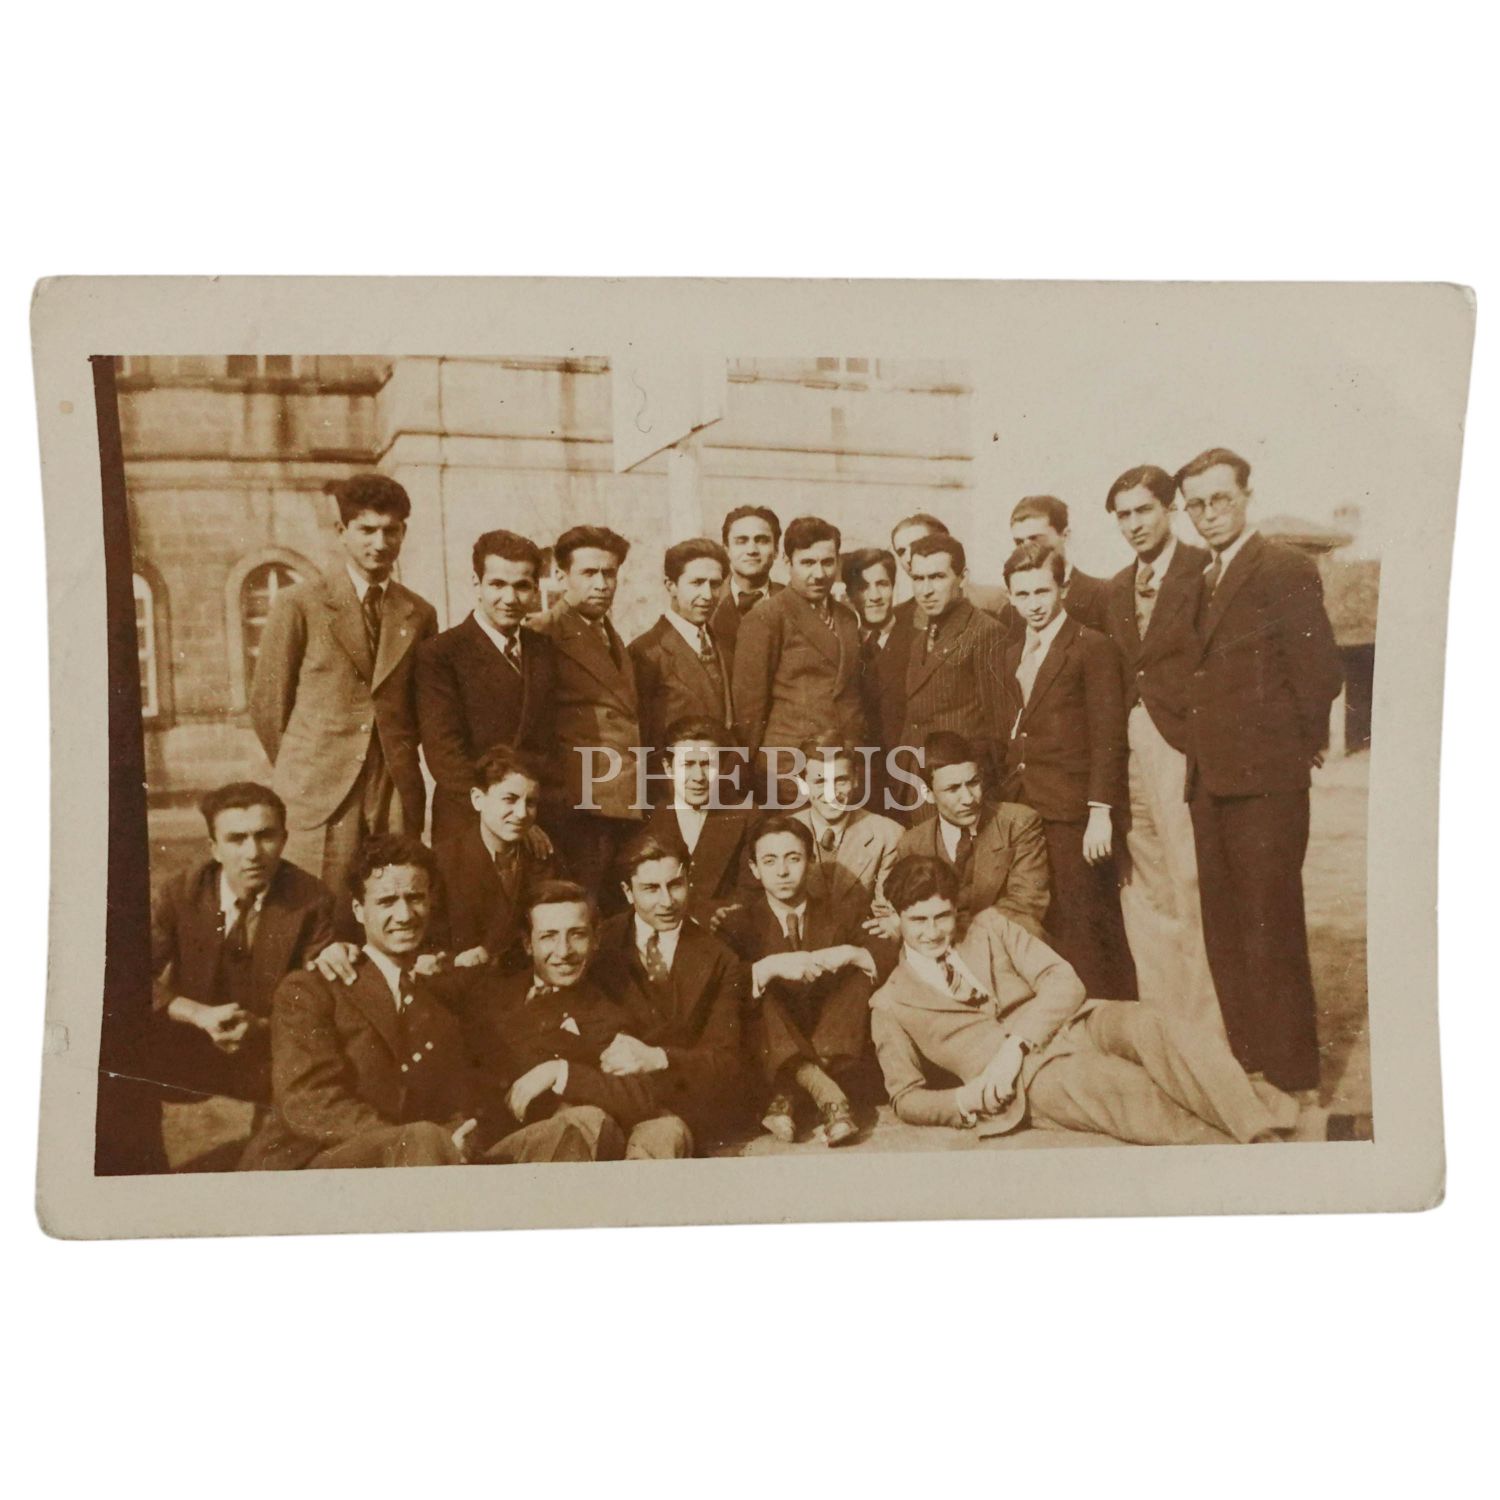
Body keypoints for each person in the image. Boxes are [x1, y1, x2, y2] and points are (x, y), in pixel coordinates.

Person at [870, 856, 1302, 1143]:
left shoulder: (990, 926)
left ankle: (1255, 1124)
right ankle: (1253, 1145)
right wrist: (966, 1100)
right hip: (1030, 1081)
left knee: (1155, 1026)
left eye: (942, 917)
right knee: (1120, 1086)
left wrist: (1015, 1045)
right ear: (896, 917)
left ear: (955, 909)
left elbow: (1064, 980)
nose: (933, 932)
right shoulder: (890, 1003)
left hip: (1073, 1023)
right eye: (918, 921)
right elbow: (905, 1097)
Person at [240, 838, 610, 1168]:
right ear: (358, 910)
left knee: (563, 1135)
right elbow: (310, 1104)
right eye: (387, 901)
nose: (404, 915)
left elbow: (464, 1090)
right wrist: (420, 1140)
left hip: (425, 1160)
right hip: (316, 1166)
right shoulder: (312, 989)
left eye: (415, 898)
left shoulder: (438, 994)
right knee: (424, 1139)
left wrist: (459, 1135)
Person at [1177, 446, 1343, 1094]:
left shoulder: (1284, 567)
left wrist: (1294, 749)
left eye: (1220, 499)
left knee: (1271, 926)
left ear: (1247, 496)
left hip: (1267, 785)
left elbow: (1319, 672)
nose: (1209, 514)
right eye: (1196, 504)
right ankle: (1249, 1062)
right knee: (1225, 929)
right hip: (1210, 783)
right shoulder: (1202, 578)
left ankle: (1293, 1072)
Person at [249, 473, 437, 919]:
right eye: (366, 530)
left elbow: (421, 705)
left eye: (391, 530)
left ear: (403, 533)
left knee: (394, 906)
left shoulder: (418, 613)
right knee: (317, 912)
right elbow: (268, 705)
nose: (379, 543)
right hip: (320, 786)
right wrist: (307, 764)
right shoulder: (300, 603)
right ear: (342, 531)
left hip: (391, 786)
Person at [1101, 465, 1223, 1033]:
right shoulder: (1116, 588)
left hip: (1182, 745)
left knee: (1190, 878)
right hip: (1129, 748)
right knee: (1143, 882)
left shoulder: (1204, 571)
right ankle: (1167, 1019)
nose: (1134, 524)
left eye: (1144, 510)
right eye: (1123, 515)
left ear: (1170, 509)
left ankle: (1210, 1023)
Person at [461, 881, 693, 1159]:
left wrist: (561, 1073)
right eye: (549, 936)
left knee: (655, 1127)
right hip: (505, 1149)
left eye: (577, 935)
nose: (564, 951)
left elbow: (645, 1093)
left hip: (585, 1142)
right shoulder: (490, 996)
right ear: (527, 944)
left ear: (596, 939)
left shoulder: (612, 1004)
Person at [150, 782, 340, 1106]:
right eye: (236, 839)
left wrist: (261, 1027)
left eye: (265, 836)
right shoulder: (180, 893)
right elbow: (129, 975)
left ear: (284, 839)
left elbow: (316, 999)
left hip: (268, 1049)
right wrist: (198, 1014)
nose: (253, 853)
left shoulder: (312, 900)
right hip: (189, 1044)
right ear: (214, 848)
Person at [1002, 541, 1135, 999]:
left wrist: (1100, 811)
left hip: (1074, 812)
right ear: (1010, 596)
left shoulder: (1091, 646)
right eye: (1022, 595)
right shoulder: (1014, 652)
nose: (1033, 604)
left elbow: (1108, 735)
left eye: (1042, 591)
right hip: (1026, 805)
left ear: (1062, 588)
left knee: (1087, 923)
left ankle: (1107, 1015)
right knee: (1046, 920)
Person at [716, 813, 880, 1147]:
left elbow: (884, 951)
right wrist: (771, 966)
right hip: (769, 1041)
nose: (782, 871)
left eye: (793, 858)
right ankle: (827, 1095)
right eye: (770, 861)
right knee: (757, 984)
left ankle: (788, 1093)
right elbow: (721, 986)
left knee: (860, 974)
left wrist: (849, 952)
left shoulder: (840, 912)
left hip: (829, 1035)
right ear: (754, 869)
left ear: (811, 861)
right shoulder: (737, 924)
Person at [591, 832, 753, 1150]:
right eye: (651, 889)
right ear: (627, 892)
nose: (667, 902)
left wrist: (659, 1058)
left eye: (675, 885)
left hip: (677, 1110)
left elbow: (725, 1061)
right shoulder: (598, 944)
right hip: (607, 1098)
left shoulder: (720, 957)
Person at [415, 529, 556, 851]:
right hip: (469, 820)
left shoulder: (543, 650)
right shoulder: (441, 653)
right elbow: (445, 756)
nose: (510, 598)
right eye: (497, 584)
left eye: (522, 586)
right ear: (476, 584)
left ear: (536, 589)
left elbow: (548, 743)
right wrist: (508, 813)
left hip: (534, 820)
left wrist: (528, 813)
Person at [531, 525, 644, 897]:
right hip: (580, 808)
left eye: (609, 573)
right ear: (561, 575)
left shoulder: (608, 633)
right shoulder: (543, 633)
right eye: (589, 573)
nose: (601, 584)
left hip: (620, 802)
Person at [731, 515, 867, 797]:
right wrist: (750, 771)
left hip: (845, 762)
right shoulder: (767, 616)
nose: (819, 573)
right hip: (790, 766)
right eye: (807, 563)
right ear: (787, 561)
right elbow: (749, 710)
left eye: (827, 562)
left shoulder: (846, 617)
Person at [892, 731, 1050, 939]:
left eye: (973, 783)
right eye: (953, 789)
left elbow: (1025, 906)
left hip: (1006, 944)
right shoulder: (912, 844)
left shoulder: (1018, 823)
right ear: (927, 794)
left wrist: (959, 935)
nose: (968, 799)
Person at [429, 744, 557, 971]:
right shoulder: (441, 863)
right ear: (478, 799)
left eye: (530, 803)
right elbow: (427, 948)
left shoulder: (545, 860)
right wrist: (453, 961)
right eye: (509, 799)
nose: (521, 814)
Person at [897, 533, 1011, 779]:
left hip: (961, 782)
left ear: (963, 577)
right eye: (918, 578)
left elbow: (999, 730)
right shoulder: (919, 640)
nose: (926, 590)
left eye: (938, 577)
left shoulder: (985, 632)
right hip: (918, 779)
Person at [629, 537, 735, 764]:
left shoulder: (725, 647)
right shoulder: (646, 652)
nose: (708, 595)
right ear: (671, 586)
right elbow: (641, 738)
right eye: (696, 583)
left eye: (715, 584)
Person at [640, 716, 755, 924]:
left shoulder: (747, 815)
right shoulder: (651, 817)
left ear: (722, 768)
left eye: (707, 764)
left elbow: (749, 893)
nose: (698, 777)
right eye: (688, 764)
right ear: (668, 768)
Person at [793, 741, 903, 912]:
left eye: (841, 780)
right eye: (820, 782)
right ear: (802, 785)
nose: (831, 793)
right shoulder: (781, 836)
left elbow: (885, 915)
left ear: (855, 779)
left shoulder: (888, 835)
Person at [843, 545, 904, 812]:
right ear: (849, 594)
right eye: (863, 587)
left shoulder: (917, 641)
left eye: (882, 584)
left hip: (904, 778)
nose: (875, 596)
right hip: (859, 783)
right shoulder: (843, 645)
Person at [1002, 494, 1110, 634]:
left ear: (1065, 535)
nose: (1027, 549)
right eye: (1019, 542)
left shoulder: (1102, 596)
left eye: (1036, 539)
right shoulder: (1009, 612)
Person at [711, 505, 784, 654]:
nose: (751, 550)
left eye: (762, 541)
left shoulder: (793, 601)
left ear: (776, 550)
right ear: (727, 550)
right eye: (741, 541)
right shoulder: (708, 602)